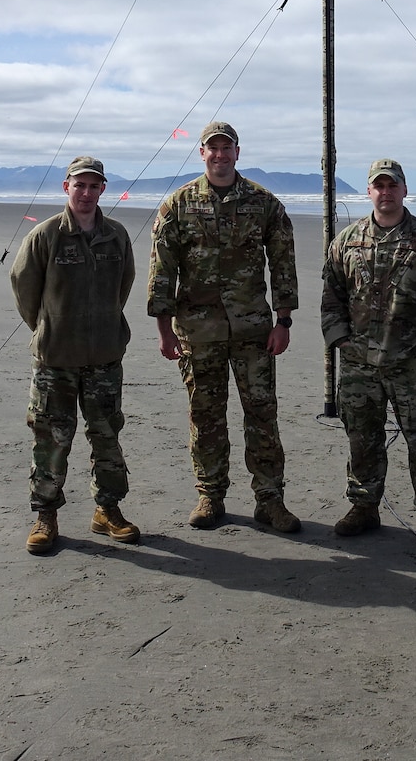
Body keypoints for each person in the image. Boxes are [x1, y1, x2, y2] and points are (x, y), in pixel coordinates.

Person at [147, 121, 302, 533]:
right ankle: (210, 495)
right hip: (198, 332)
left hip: (254, 331)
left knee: (262, 416)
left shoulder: (263, 202)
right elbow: (162, 271)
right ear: (201, 153)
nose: (219, 155)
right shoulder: (178, 205)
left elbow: (283, 263)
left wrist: (283, 320)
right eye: (211, 148)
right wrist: (164, 331)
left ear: (237, 152)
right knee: (206, 417)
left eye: (226, 148)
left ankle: (270, 500)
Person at [322, 159, 416, 547]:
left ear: (404, 190)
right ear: (368, 192)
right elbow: (332, 299)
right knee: (361, 437)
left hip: (412, 363)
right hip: (359, 363)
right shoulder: (346, 241)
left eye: (392, 185)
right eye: (378, 186)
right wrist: (341, 341)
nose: (385, 192)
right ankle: (364, 506)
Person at [10, 156, 140, 555]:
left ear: (103, 190)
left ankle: (108, 510)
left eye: (94, 186)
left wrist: (102, 326)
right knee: (51, 439)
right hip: (55, 360)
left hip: (103, 357)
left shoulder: (116, 236)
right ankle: (45, 516)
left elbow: (124, 285)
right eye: (79, 185)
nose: (86, 193)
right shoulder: (46, 235)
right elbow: (24, 287)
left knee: (106, 436)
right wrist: (51, 327)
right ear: (66, 187)